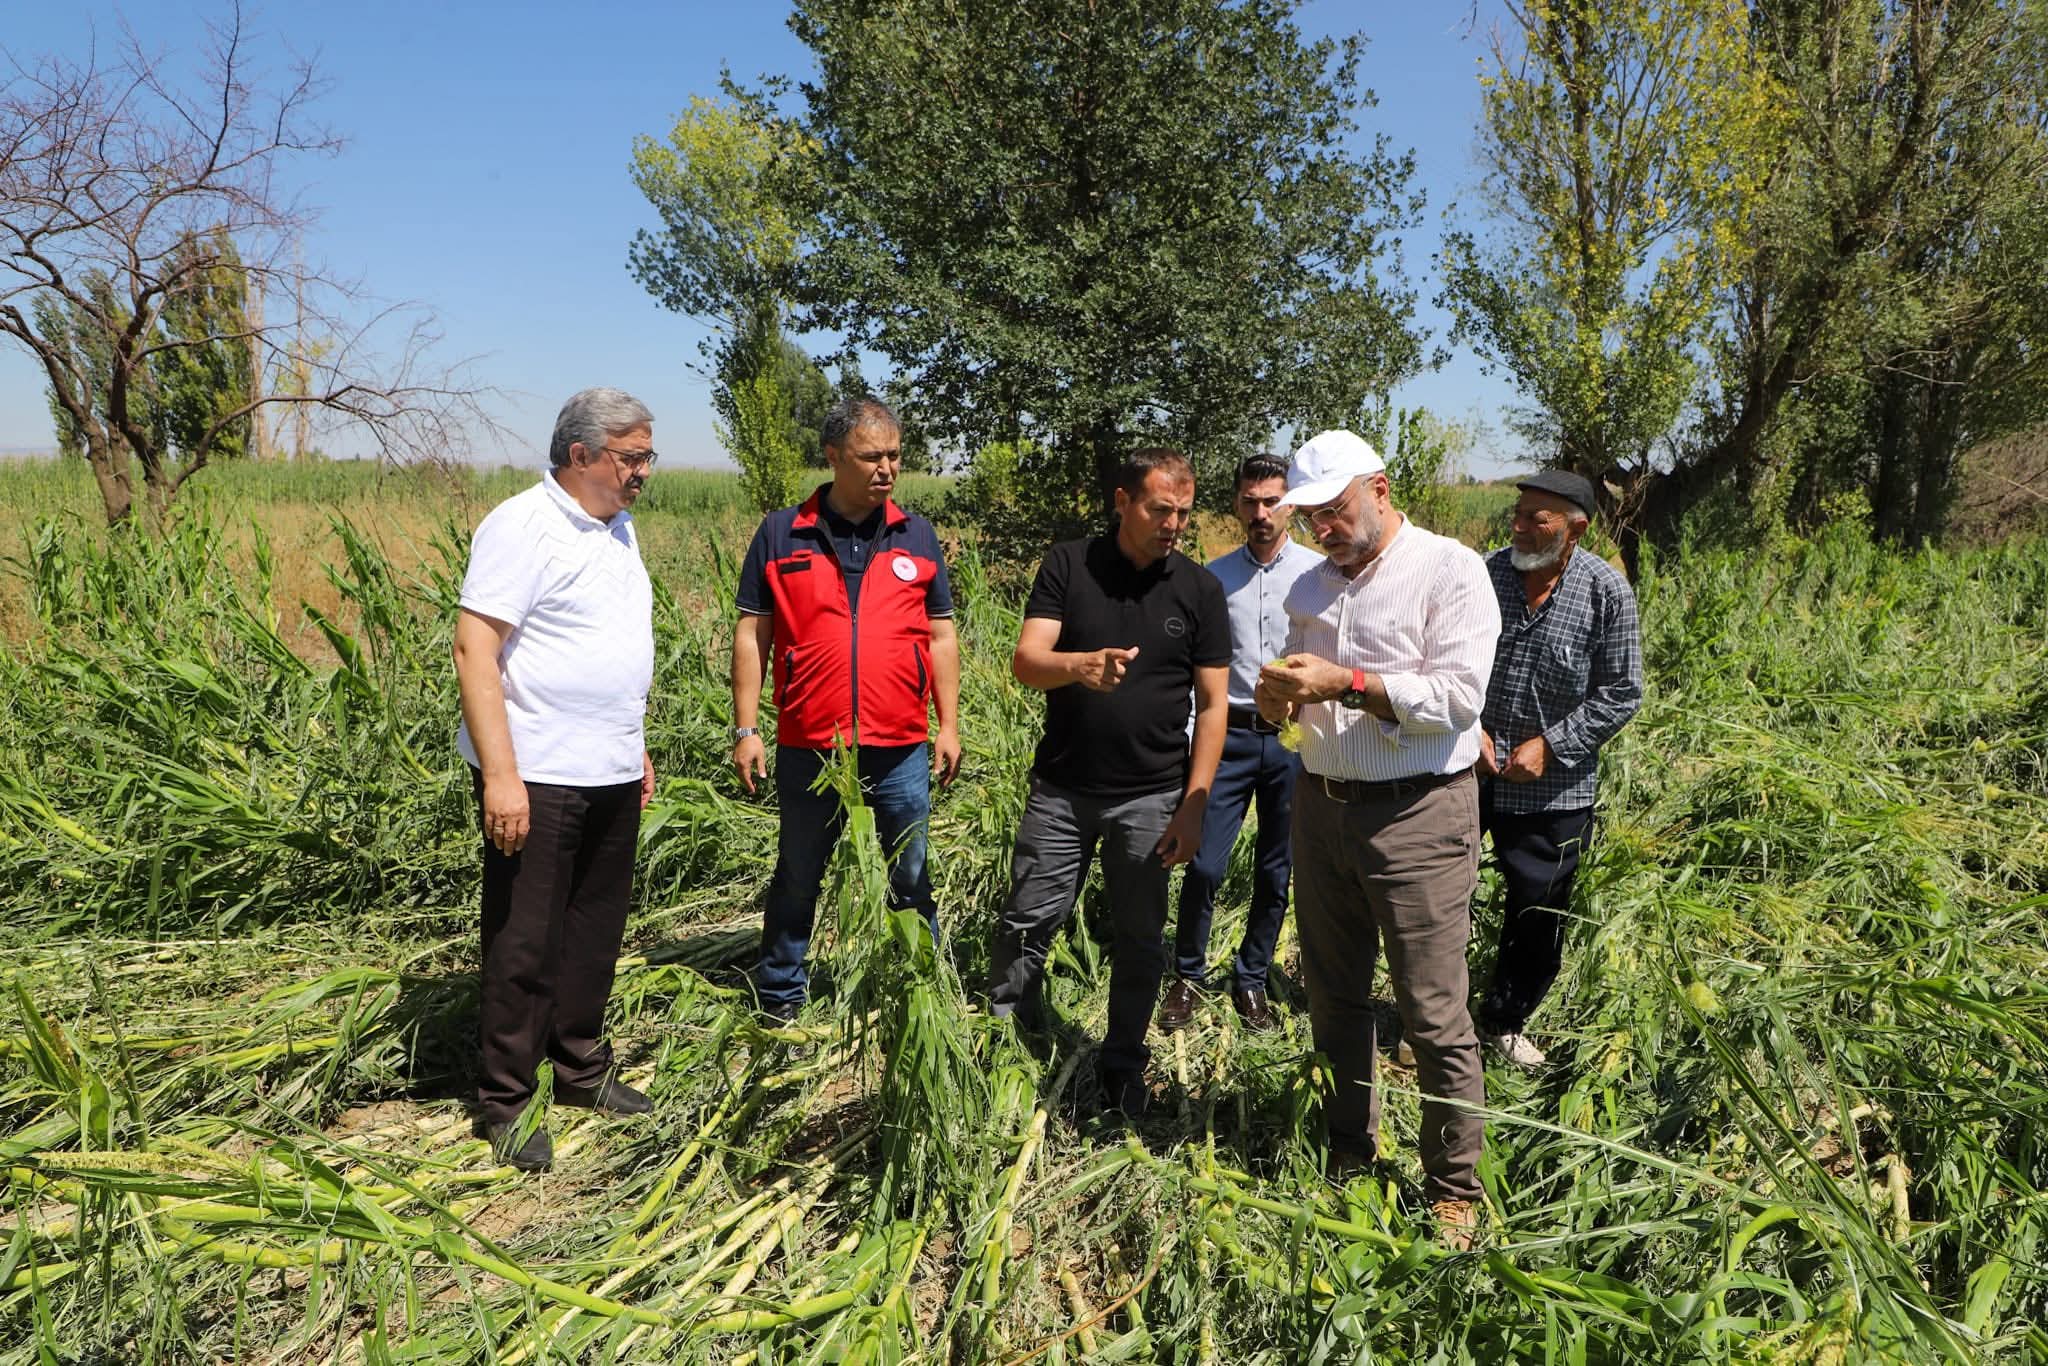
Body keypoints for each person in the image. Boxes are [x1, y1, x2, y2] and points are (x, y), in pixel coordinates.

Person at [1254, 429, 1500, 1249]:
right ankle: (1348, 1148)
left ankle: (1453, 1187)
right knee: (1333, 995)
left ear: (1381, 489)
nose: (1322, 528)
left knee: (1431, 1011)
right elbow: (1297, 698)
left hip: (1418, 813)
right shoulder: (1310, 588)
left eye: (1335, 510)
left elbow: (1458, 699)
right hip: (1322, 806)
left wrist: (1350, 684)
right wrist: (1277, 702)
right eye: (1310, 516)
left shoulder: (1449, 570)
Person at [453, 387, 661, 1173]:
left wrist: (633, 746)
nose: (644, 471)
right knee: (524, 941)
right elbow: (474, 648)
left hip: (609, 768)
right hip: (537, 772)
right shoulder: (522, 525)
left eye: (647, 456)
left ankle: (578, 1068)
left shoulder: (619, 529)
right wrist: (501, 776)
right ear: (581, 455)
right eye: (632, 456)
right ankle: (506, 1100)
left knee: (593, 933)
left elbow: (606, 649)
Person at [989, 447, 1230, 1115]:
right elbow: (1027, 661)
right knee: (1028, 918)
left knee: (1140, 937)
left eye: (1183, 512)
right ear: (1122, 502)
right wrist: (1078, 667)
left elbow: (1213, 706)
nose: (1173, 524)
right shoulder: (1069, 564)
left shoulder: (1200, 591)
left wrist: (1193, 807)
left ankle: (1123, 1062)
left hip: (1152, 797)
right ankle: (1007, 1041)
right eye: (1160, 509)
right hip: (1062, 791)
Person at [731, 397, 961, 1021]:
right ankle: (781, 998)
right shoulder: (782, 532)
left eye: (894, 455)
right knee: (798, 873)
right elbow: (753, 634)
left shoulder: (917, 534)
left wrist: (948, 725)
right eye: (870, 456)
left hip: (901, 746)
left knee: (910, 874)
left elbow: (940, 636)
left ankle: (919, 995)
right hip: (810, 744)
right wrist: (747, 727)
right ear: (833, 457)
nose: (887, 469)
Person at [1472, 470, 1642, 1068]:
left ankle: (1505, 1019)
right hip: (1468, 772)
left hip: (1554, 790)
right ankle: (1432, 1016)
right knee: (1440, 894)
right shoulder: (1482, 575)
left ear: (1575, 529)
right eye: (1517, 514)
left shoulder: (1606, 592)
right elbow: (1445, 659)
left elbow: (1623, 690)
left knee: (1536, 910)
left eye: (1535, 519)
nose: (1518, 527)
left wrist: (1552, 745)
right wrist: (1470, 730)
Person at [1157, 455, 1322, 1034]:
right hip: (1227, 736)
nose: (1261, 513)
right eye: (1250, 501)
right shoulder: (1214, 578)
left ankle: (1251, 978)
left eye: (1271, 501)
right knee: (1205, 864)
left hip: (1292, 740)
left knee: (1278, 869)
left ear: (1290, 505)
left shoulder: (1317, 576)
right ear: (1235, 505)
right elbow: (1193, 670)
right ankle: (1187, 975)